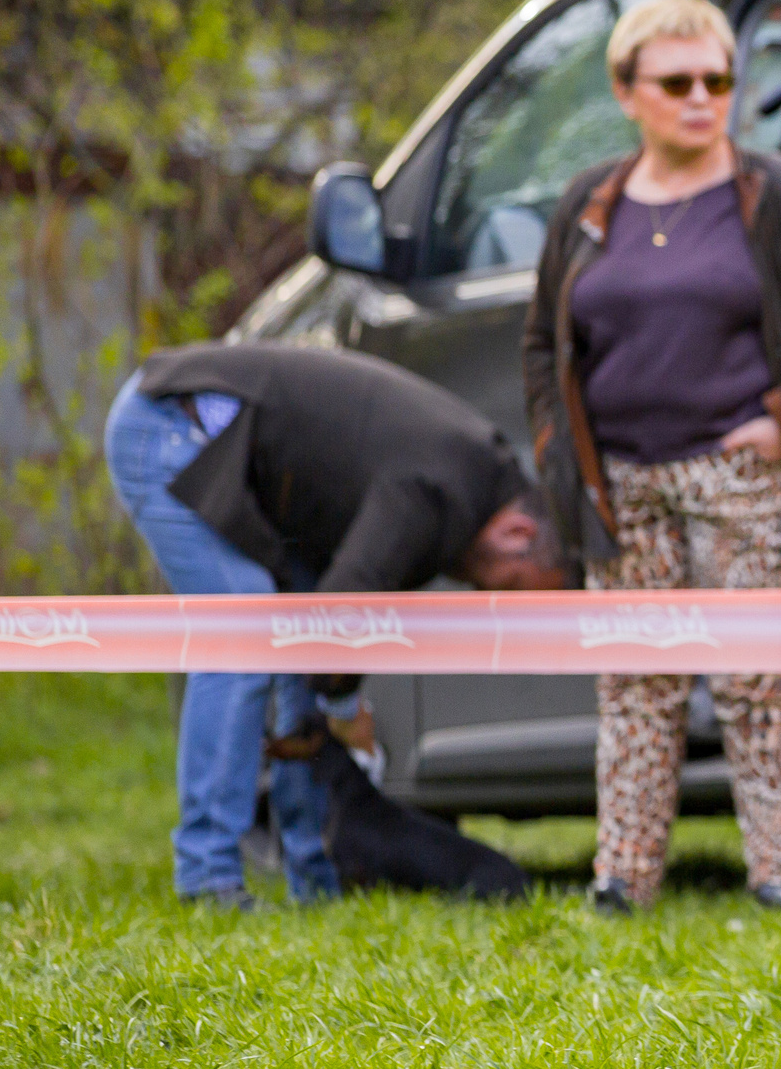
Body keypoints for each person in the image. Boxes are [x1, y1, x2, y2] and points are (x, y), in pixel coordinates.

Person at [523, 0, 781, 916]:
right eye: (677, 83)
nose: (702, 98)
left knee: (756, 682)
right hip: (619, 482)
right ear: (627, 91)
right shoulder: (588, 206)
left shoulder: (777, 193)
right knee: (636, 686)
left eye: (718, 80)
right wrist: (564, 457)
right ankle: (622, 880)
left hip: (738, 476)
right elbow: (545, 347)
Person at [103, 342, 571, 908]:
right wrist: (347, 714)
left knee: (297, 644)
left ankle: (314, 877)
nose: (494, 600)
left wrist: (336, 694)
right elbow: (342, 612)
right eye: (514, 589)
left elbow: (330, 619)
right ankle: (207, 878)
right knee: (243, 629)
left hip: (242, 462)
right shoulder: (436, 488)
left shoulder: (470, 481)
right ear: (518, 535)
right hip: (172, 425)